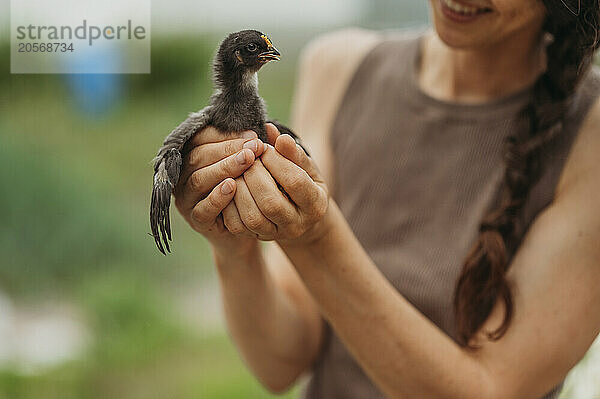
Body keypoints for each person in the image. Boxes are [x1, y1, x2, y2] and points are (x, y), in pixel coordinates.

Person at [173, 1, 600, 398]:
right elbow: (283, 361)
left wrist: (317, 237)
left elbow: (488, 389)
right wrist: (234, 247)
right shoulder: (338, 68)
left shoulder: (589, 138)